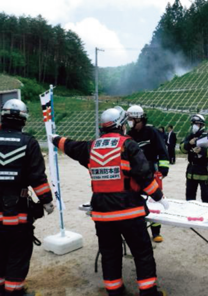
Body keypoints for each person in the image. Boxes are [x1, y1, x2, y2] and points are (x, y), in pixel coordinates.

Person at [51, 106, 167, 296]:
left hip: (102, 214)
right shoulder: (128, 145)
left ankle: (115, 291)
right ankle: (148, 292)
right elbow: (144, 175)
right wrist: (159, 197)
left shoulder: (91, 146)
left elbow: (70, 146)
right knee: (142, 253)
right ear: (121, 125)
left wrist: (55, 139)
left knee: (110, 254)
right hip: (129, 211)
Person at [0, 99, 54, 296]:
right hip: (17, 212)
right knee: (18, 252)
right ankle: (14, 291)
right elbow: (37, 177)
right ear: (23, 119)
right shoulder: (28, 143)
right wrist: (47, 201)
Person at [127, 105, 169, 243]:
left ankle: (156, 232)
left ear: (140, 119)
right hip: (134, 174)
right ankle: (140, 230)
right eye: (129, 119)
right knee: (136, 201)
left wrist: (162, 171)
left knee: (154, 200)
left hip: (151, 171)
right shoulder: (129, 135)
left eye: (132, 119)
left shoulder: (152, 132)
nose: (130, 122)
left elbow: (163, 151)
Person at [180, 114, 208, 203]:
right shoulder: (190, 136)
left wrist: (201, 150)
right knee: (189, 196)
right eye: (193, 124)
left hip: (203, 170)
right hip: (191, 170)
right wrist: (189, 143)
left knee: (206, 196)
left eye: (196, 124)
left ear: (201, 125)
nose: (194, 126)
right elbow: (182, 148)